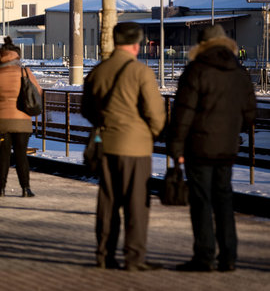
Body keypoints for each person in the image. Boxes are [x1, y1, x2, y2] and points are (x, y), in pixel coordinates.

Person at [168, 24, 256, 273]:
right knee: (225, 199)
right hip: (227, 147)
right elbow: (250, 114)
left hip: (199, 147)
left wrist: (176, 146)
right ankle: (229, 257)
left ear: (201, 45)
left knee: (202, 202)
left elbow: (183, 113)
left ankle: (204, 257)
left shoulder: (196, 70)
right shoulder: (240, 72)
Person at [81, 22, 166, 272]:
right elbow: (155, 113)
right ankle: (134, 257)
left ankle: (104, 255)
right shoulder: (141, 72)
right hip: (136, 148)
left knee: (108, 202)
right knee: (136, 205)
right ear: (136, 44)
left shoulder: (98, 71)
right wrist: (149, 133)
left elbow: (86, 109)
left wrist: (105, 124)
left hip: (106, 145)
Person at [0, 36, 40, 198]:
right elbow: (38, 93)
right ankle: (26, 189)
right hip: (22, 122)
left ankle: (1, 190)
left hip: (1, 122)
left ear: (0, 55)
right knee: (21, 156)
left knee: (3, 156)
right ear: (17, 55)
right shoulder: (25, 72)